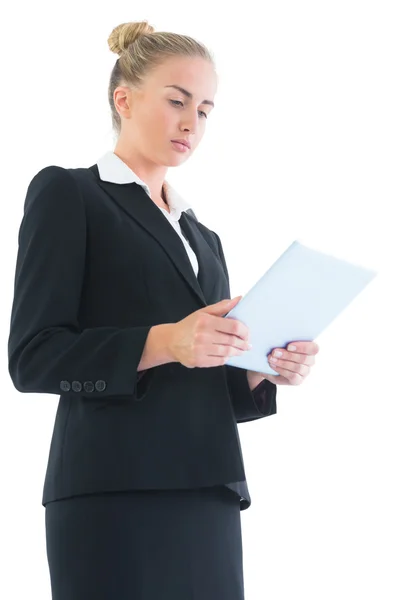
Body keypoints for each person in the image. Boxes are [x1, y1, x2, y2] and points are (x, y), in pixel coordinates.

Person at [7, 20, 318, 600]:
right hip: (112, 493)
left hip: (209, 492)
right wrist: (164, 341)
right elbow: (32, 358)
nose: (190, 123)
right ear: (124, 99)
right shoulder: (70, 194)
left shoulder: (204, 237)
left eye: (204, 110)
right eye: (176, 100)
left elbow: (211, 384)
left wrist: (261, 368)